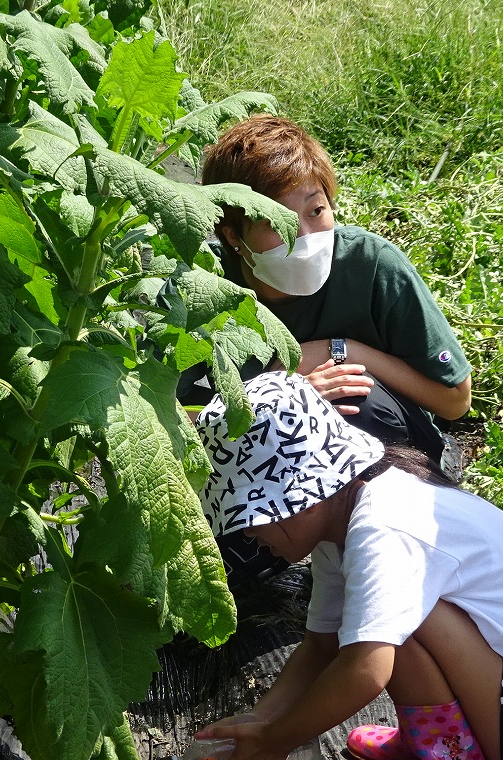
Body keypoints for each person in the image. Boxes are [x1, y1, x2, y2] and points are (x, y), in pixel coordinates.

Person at [191, 372, 503, 760]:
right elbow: (321, 645)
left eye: (250, 516)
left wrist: (276, 742)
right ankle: (432, 740)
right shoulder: (342, 520)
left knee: (391, 626)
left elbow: (364, 672)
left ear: (300, 494)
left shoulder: (384, 526)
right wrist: (264, 721)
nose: (247, 534)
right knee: (372, 618)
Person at [189, 114, 473, 585]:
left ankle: (388, 546)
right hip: (258, 474)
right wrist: (288, 397)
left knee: (355, 398)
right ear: (233, 235)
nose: (305, 235)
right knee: (222, 571)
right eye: (277, 222)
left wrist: (344, 350)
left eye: (316, 211)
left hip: (387, 444)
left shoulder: (372, 265)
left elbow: (454, 399)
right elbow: (178, 420)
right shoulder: (202, 284)